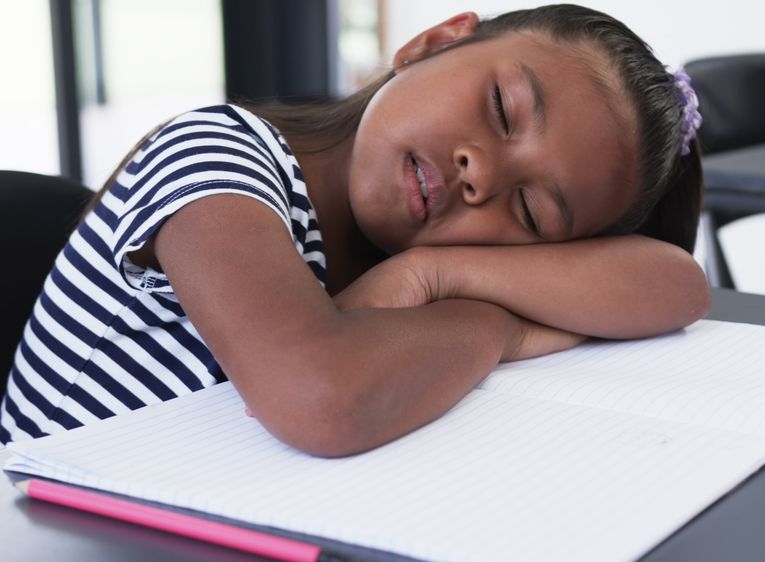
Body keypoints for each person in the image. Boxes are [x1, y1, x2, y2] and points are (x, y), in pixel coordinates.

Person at [0, 4, 710, 456]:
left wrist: (440, 275)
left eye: (531, 211)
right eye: (500, 106)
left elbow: (678, 284)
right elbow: (323, 403)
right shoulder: (213, 156)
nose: (480, 175)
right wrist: (504, 330)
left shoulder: (415, 258)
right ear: (432, 43)